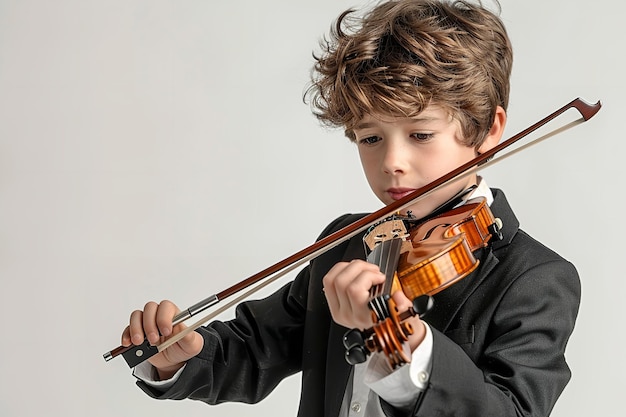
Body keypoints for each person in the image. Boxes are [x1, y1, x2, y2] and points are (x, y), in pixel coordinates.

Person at [120, 1, 581, 416]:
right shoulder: (349, 242)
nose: (392, 163)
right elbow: (258, 347)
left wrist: (406, 344)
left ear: (488, 129)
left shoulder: (534, 278)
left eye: (420, 134)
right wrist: (184, 355)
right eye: (371, 138)